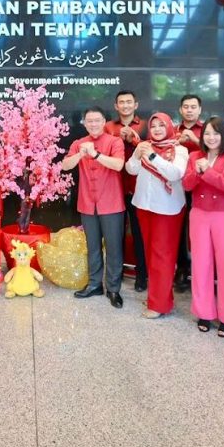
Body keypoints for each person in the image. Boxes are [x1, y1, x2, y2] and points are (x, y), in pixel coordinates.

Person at [182, 117, 224, 335]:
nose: (210, 137)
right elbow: (187, 184)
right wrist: (197, 172)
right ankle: (204, 312)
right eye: (207, 133)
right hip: (199, 214)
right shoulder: (194, 156)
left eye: (216, 133)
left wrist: (207, 172)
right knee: (201, 264)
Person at [63, 106, 126, 308]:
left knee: (114, 247)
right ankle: (94, 284)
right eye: (89, 121)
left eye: (97, 120)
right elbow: (65, 165)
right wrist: (81, 155)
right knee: (93, 247)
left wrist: (96, 155)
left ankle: (114, 289)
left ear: (104, 121)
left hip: (112, 203)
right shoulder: (79, 143)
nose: (93, 124)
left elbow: (118, 165)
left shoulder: (114, 141)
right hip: (87, 202)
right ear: (85, 123)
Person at [125, 112, 187, 318]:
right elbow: (131, 170)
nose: (157, 129)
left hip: (167, 209)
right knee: (151, 254)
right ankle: (158, 296)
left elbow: (174, 174)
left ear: (170, 127)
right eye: (154, 126)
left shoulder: (179, 150)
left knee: (163, 256)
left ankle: (159, 305)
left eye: (162, 125)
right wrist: (136, 154)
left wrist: (151, 155)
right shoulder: (144, 146)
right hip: (144, 205)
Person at [105, 89, 148, 292]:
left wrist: (133, 139)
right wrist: (116, 140)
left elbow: (151, 150)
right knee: (116, 235)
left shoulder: (146, 126)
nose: (125, 105)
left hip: (140, 188)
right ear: (116, 106)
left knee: (140, 234)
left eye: (129, 102)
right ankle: (116, 272)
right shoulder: (108, 127)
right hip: (114, 188)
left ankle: (142, 276)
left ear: (136, 105)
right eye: (121, 102)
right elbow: (103, 152)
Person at [173, 94, 204, 292]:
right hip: (175, 185)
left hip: (201, 187)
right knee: (178, 228)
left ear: (200, 110)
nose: (189, 110)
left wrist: (194, 139)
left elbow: (218, 151)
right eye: (186, 106)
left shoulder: (208, 130)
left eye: (193, 107)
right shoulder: (173, 130)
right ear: (180, 110)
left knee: (198, 230)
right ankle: (182, 268)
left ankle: (202, 270)